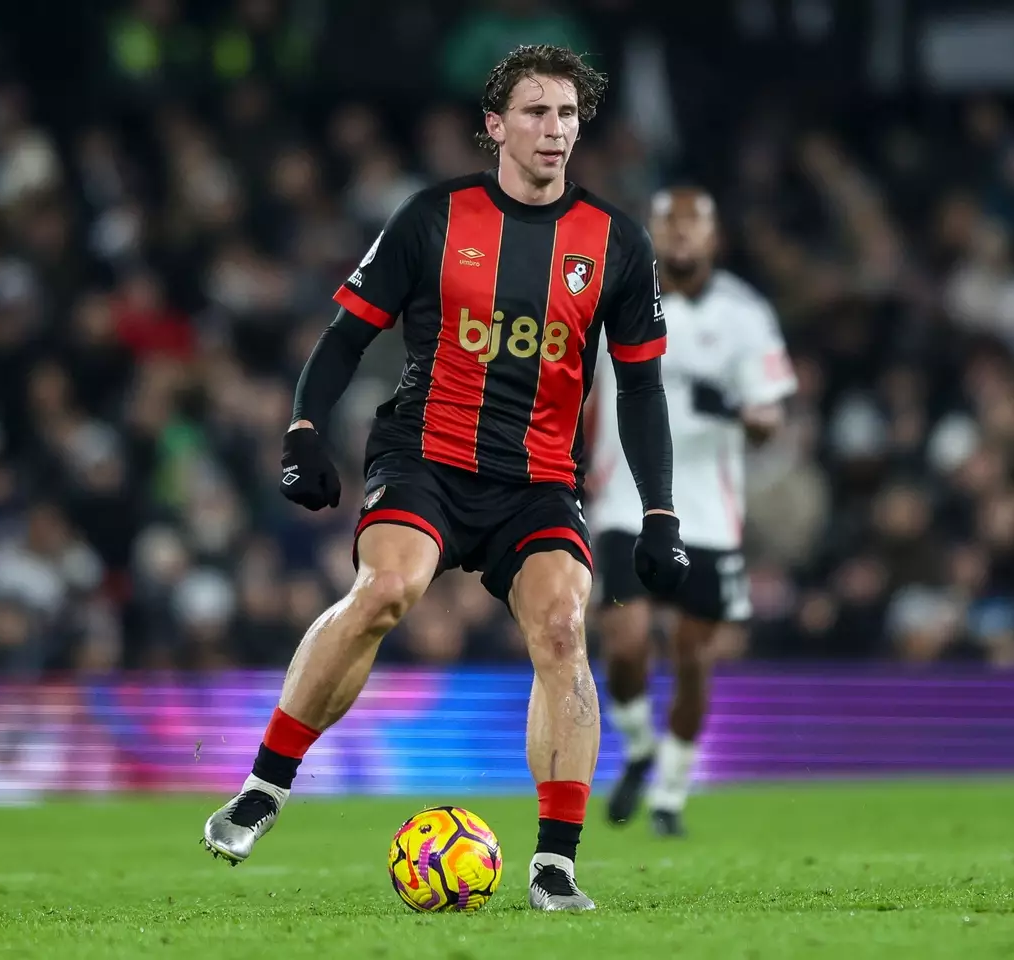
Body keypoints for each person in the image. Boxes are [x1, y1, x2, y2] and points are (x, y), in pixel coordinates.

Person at [202, 44, 690, 912]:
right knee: (387, 590)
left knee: (564, 626)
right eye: (537, 113)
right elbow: (346, 335)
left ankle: (555, 867)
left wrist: (659, 511)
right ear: (495, 126)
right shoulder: (432, 218)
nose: (556, 130)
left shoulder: (617, 243)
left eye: (569, 115)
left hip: (538, 478)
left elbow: (643, 387)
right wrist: (305, 427)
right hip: (425, 455)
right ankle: (264, 786)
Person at [586, 186, 796, 837]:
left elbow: (771, 416)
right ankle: (640, 746)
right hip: (624, 502)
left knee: (693, 657)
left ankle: (670, 793)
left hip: (706, 512)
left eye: (692, 224)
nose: (679, 235)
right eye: (667, 223)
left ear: (713, 238)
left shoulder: (744, 314)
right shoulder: (608, 302)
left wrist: (733, 408)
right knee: (623, 641)